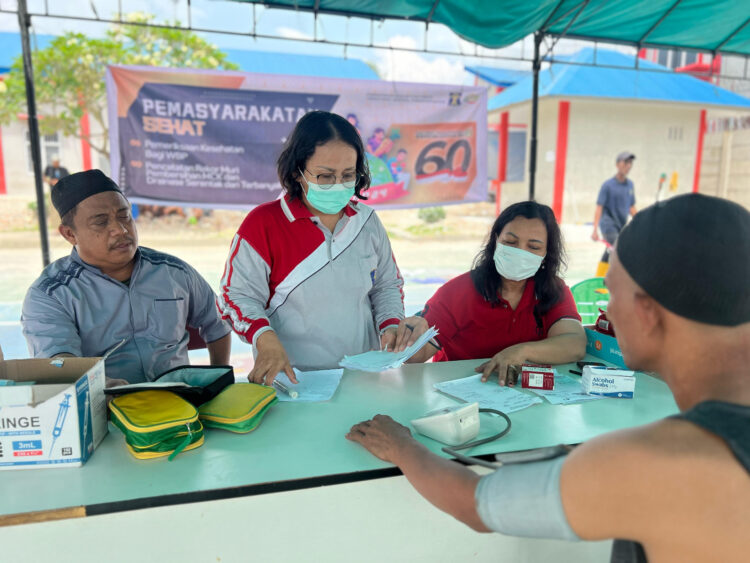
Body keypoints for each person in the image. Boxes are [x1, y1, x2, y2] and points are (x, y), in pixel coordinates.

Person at [348, 193, 750, 563]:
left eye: (611, 294)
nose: (604, 313)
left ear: (646, 313)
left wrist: (402, 447)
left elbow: (476, 503)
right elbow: (417, 350)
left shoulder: (651, 460)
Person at [218, 111, 404, 385]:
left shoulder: (367, 222)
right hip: (292, 380)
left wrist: (391, 325)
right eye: (325, 176)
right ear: (297, 171)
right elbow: (235, 295)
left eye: (348, 175)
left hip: (361, 376)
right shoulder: (264, 223)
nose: (338, 185)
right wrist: (264, 337)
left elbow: (386, 286)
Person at [21, 169, 231, 384]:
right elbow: (59, 363)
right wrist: (99, 387)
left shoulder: (174, 273)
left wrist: (218, 380)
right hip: (103, 406)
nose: (120, 230)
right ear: (70, 234)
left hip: (179, 401)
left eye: (124, 217)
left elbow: (217, 323)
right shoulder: (51, 294)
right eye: (101, 222)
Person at [394, 201, 585, 384]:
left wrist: (521, 352)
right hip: (460, 399)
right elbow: (414, 357)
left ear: (546, 254)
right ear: (495, 242)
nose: (520, 252)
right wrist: (409, 336)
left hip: (525, 397)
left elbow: (574, 343)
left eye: (533, 247)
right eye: (510, 242)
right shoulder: (457, 293)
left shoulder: (553, 290)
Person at [592, 151, 637, 276]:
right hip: (608, 225)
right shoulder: (607, 186)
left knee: (610, 250)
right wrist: (595, 229)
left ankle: (598, 279)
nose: (628, 165)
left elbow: (631, 207)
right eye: (625, 162)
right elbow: (599, 207)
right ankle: (620, 281)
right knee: (619, 250)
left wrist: (641, 220)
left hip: (621, 226)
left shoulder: (630, 185)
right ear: (617, 164)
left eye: (630, 163)